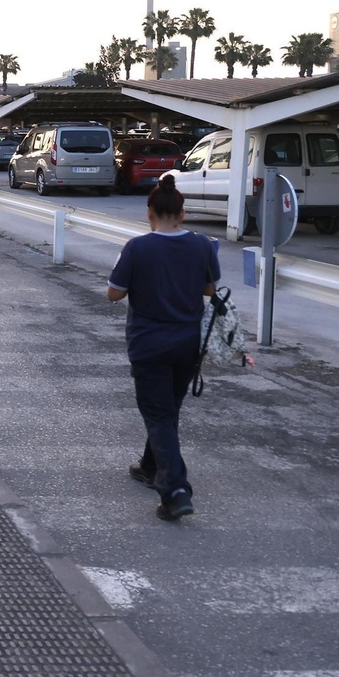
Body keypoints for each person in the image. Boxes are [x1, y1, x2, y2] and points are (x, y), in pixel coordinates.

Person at [106, 174, 220, 521]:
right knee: (167, 409)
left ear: (149, 212)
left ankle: (175, 490)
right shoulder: (201, 244)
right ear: (182, 213)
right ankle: (150, 465)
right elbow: (209, 291)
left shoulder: (138, 247)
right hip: (188, 343)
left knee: (158, 413)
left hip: (149, 343)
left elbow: (114, 293)